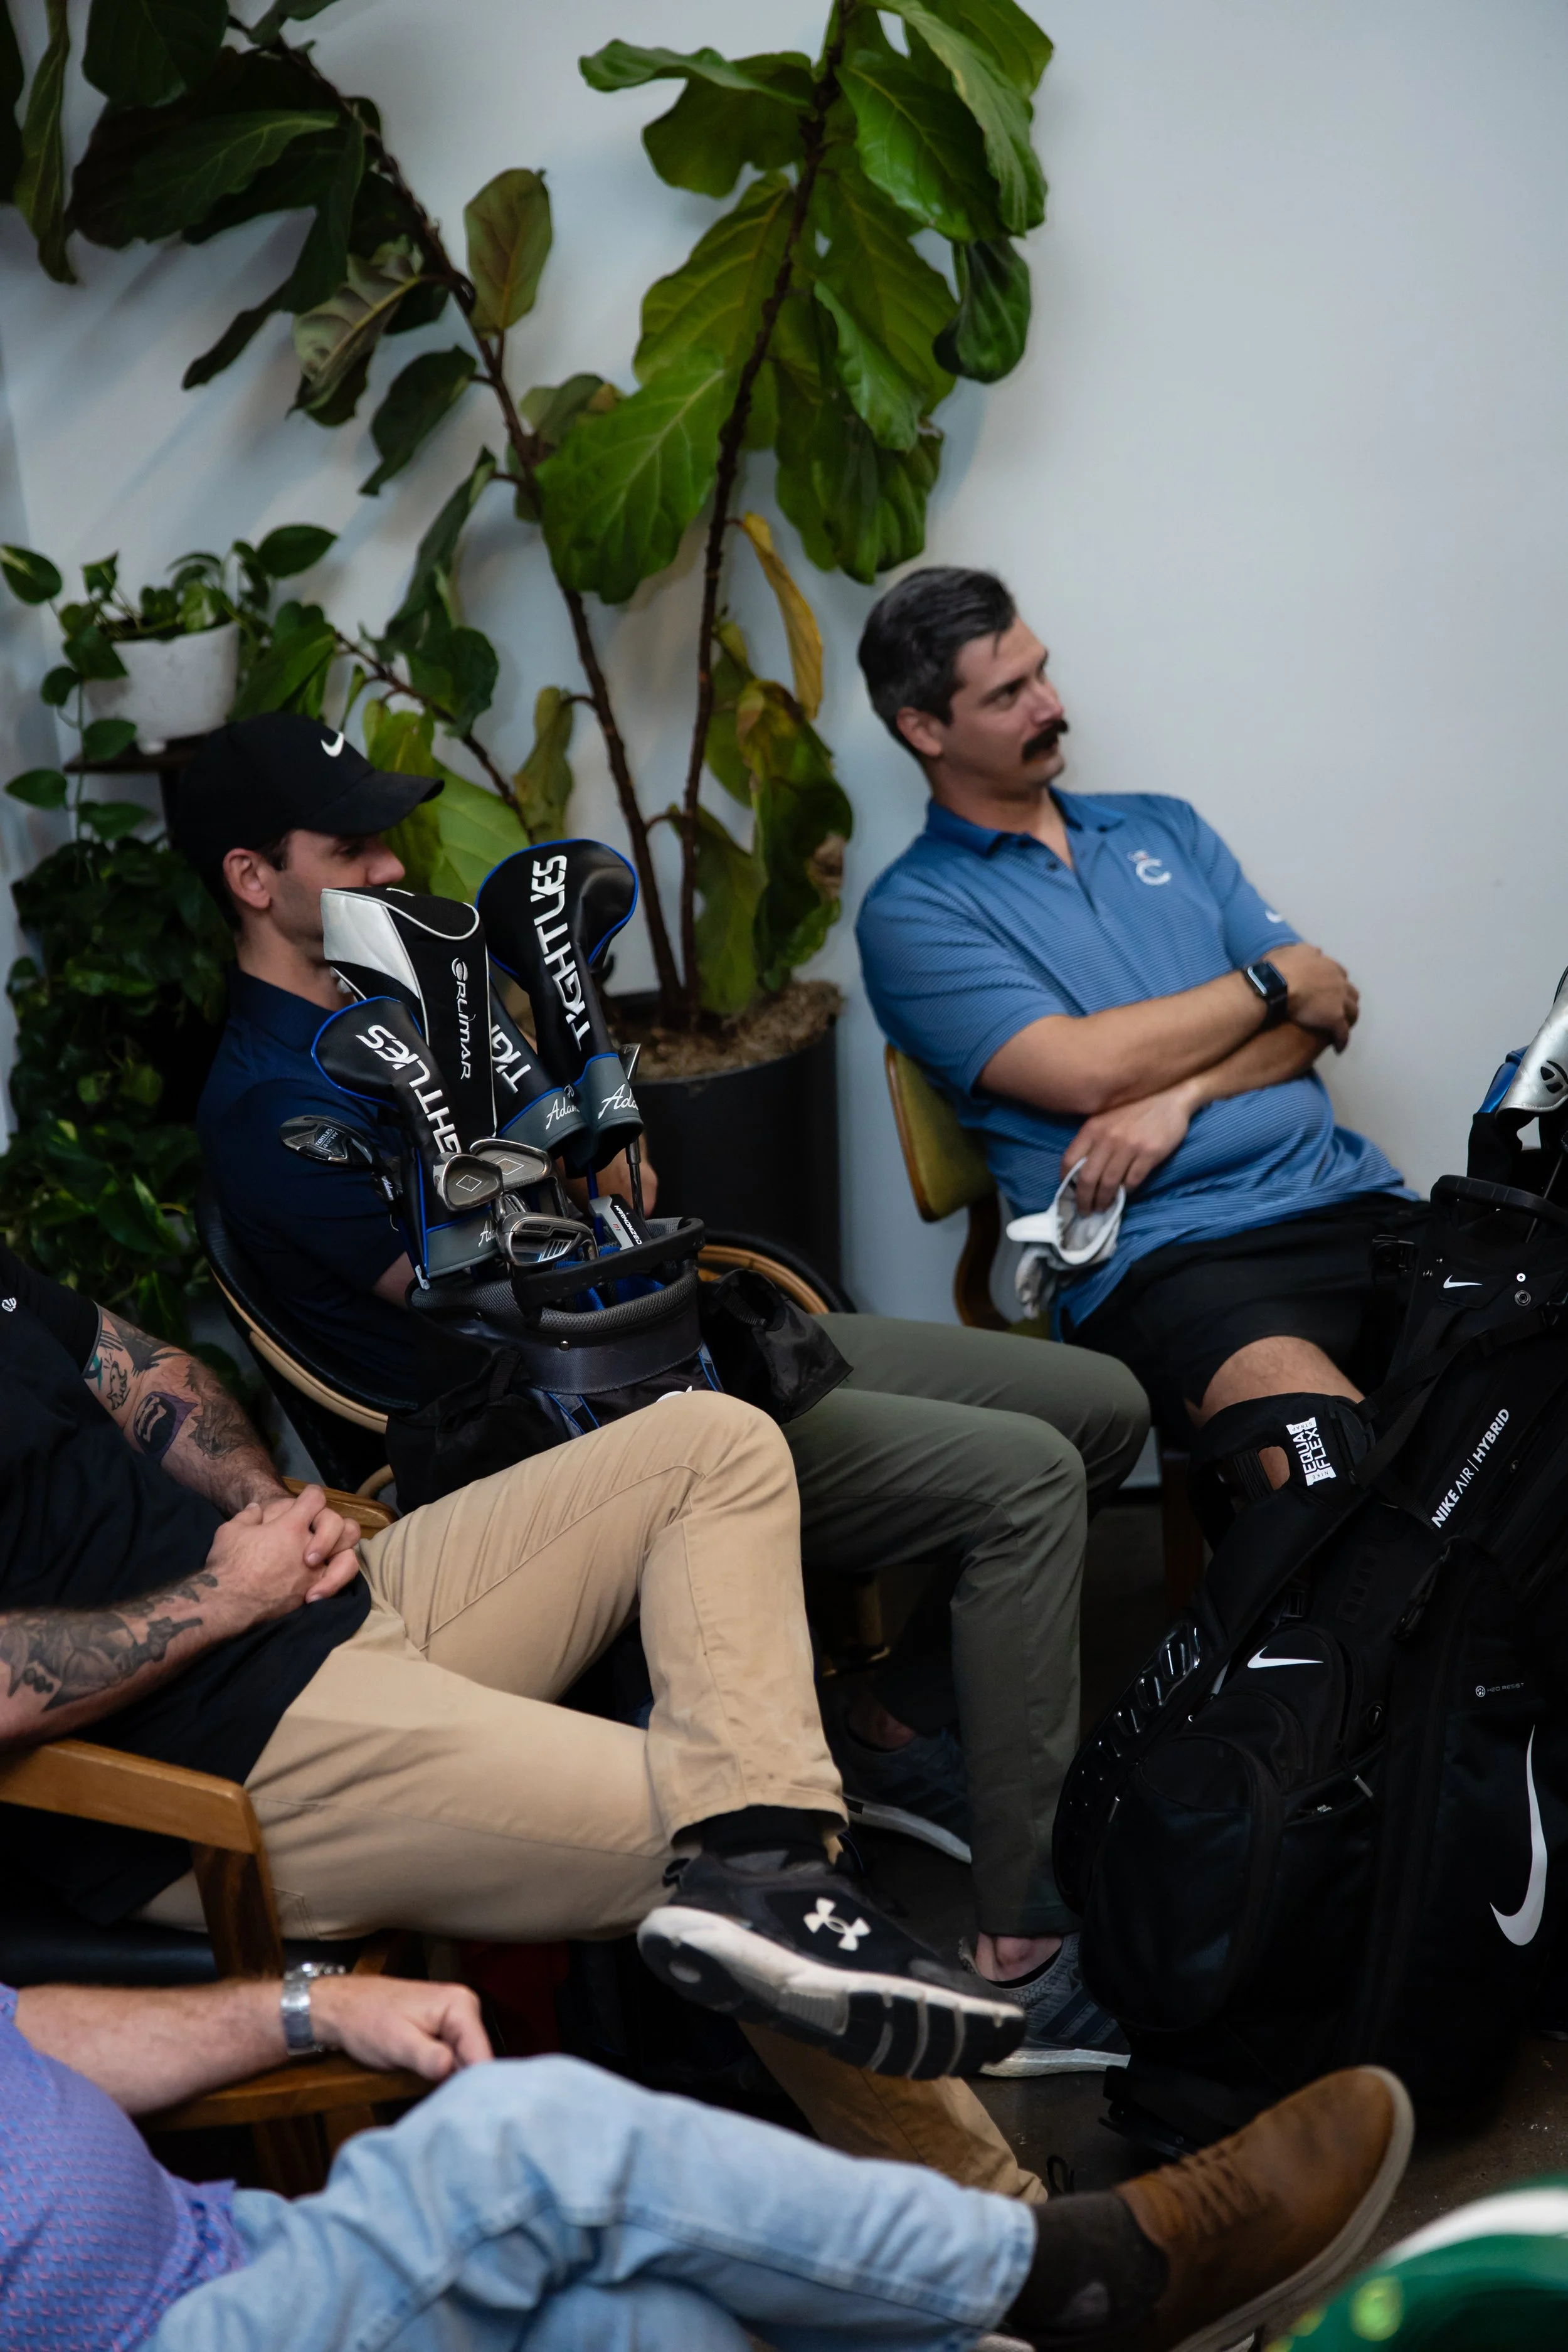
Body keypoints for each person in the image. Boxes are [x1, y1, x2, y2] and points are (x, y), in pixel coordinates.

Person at [176, 714, 1151, 2074]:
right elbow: (517, 1294)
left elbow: (618, 1199)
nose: (396, 867)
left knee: (1100, 1405)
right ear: (252, 877)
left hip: (696, 1334)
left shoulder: (403, 997)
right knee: (1028, 1483)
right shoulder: (272, 1107)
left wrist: (579, 1095)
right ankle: (1022, 1945)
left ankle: (890, 1717)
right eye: (352, 848)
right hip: (580, 1429)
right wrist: (552, 1160)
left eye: (392, 835)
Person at [0, 1232, 1049, 2195]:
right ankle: (1017, 2246)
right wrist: (232, 1595)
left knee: (709, 1443)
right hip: (221, 1744)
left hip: (312, 1595)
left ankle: (770, 1862)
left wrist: (261, 1504)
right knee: (695, 1834)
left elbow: (137, 1364)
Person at [0, 1962, 1414, 2352]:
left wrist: (301, 2004)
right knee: (522, 2144)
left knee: (653, 2321)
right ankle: (1076, 2275)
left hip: (245, 2253)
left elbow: (23, 2026)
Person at [855, 568, 1415, 1454]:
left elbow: (1324, 1005)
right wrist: (1265, 985)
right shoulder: (914, 912)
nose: (1050, 704)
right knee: (1340, 1487)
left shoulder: (1164, 828)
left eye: (1042, 672)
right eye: (1009, 693)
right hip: (1171, 1257)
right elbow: (1085, 1067)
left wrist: (1178, 1098)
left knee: (1521, 1403)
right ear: (924, 727)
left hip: (1348, 1197)